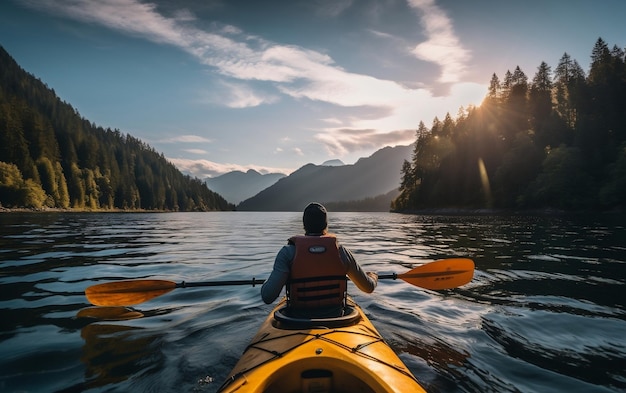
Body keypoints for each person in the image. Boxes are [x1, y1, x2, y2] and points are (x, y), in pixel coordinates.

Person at [261, 202, 378, 317]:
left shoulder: (287, 252)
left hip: (297, 321)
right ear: (326, 225)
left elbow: (267, 297)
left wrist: (271, 280)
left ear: (304, 225)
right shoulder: (341, 251)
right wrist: (373, 276)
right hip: (336, 319)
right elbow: (368, 287)